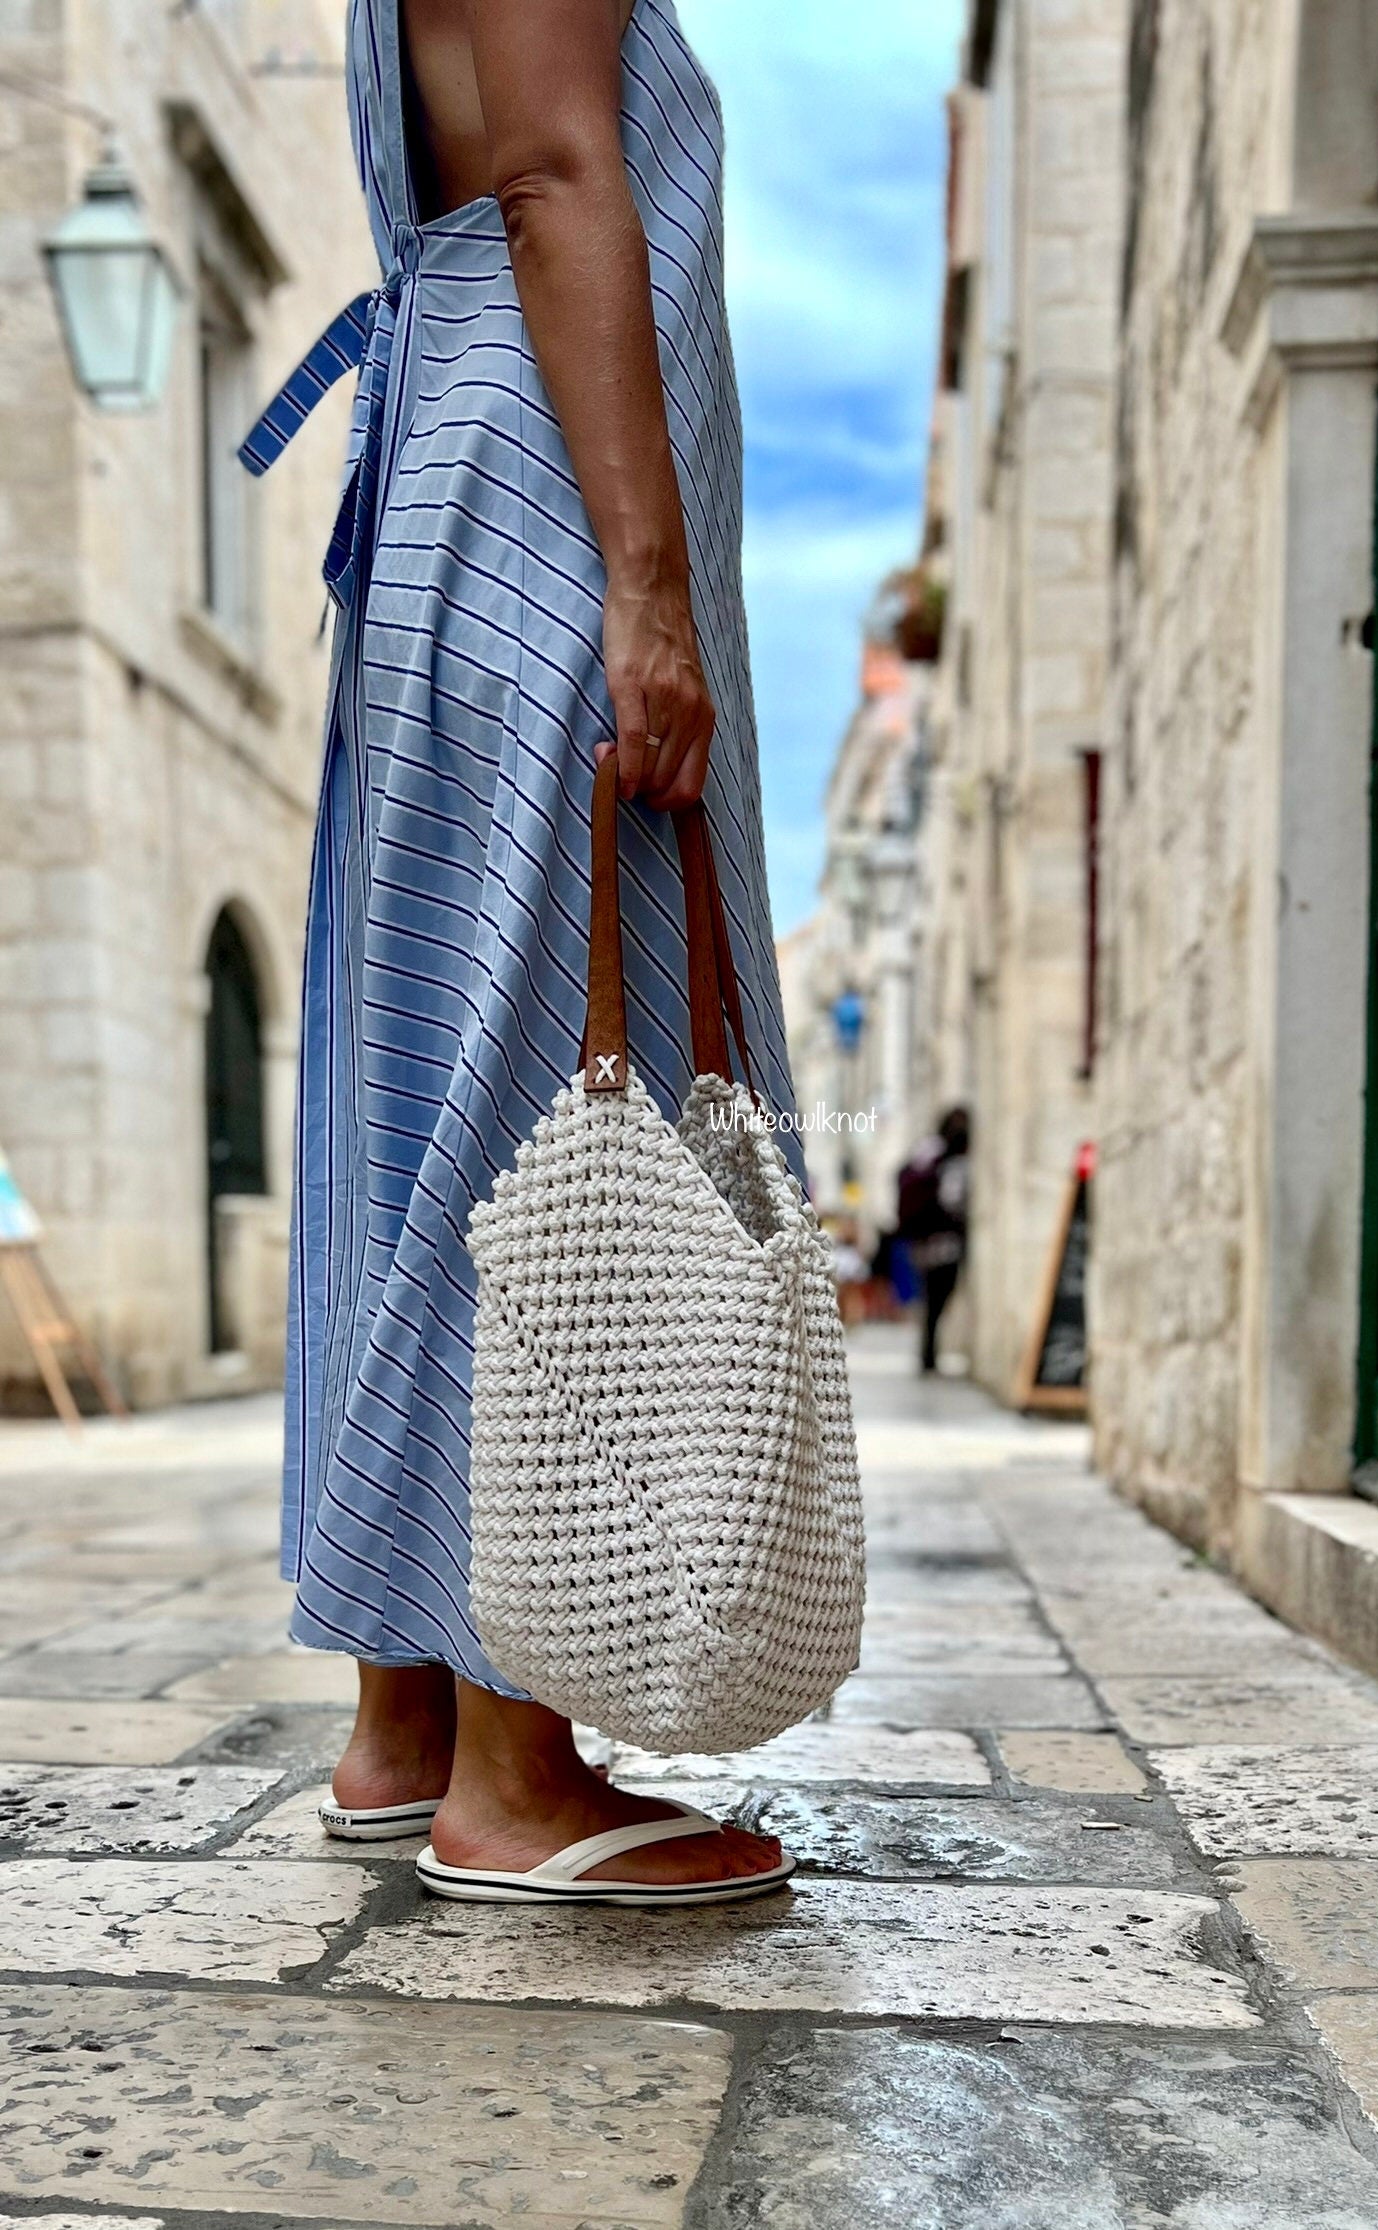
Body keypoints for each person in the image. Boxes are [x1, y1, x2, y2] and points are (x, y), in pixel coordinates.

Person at [247, 0, 799, 1900]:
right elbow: (562, 172)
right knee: (540, 1082)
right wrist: (649, 585)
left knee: (427, 1060)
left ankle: (404, 1718)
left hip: (457, 484)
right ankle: (513, 1755)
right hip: (547, 501)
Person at [897, 1107, 971, 1374]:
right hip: (944, 1244)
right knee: (938, 1300)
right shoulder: (951, 1161)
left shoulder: (926, 1152)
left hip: (922, 1245)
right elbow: (953, 1201)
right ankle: (929, 1356)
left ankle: (928, 1354)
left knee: (931, 1301)